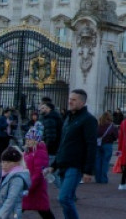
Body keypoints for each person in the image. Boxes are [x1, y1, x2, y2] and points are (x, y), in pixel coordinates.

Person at [44, 88, 97, 219]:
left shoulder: (88, 120)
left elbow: (91, 145)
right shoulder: (68, 118)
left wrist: (88, 170)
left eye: (74, 100)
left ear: (82, 102)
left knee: (64, 198)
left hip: (75, 165)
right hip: (63, 163)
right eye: (70, 99)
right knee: (66, 198)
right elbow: (63, 143)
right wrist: (54, 165)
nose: (70, 102)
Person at [22, 124, 56, 219]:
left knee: (44, 210)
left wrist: (30, 186)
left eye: (30, 140)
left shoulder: (39, 152)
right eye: (27, 139)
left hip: (36, 186)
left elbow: (39, 173)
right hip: (30, 184)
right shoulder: (28, 152)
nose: (28, 142)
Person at [0, 145, 32, 219]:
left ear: (16, 163)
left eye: (8, 162)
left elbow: (11, 198)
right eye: (3, 162)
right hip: (2, 211)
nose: (4, 165)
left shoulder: (17, 178)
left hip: (11, 214)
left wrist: (0, 215)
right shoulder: (3, 175)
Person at [94, 111, 118, 184]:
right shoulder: (112, 126)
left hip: (97, 144)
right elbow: (115, 136)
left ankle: (97, 178)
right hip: (108, 144)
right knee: (105, 162)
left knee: (98, 161)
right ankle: (103, 179)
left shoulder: (97, 125)